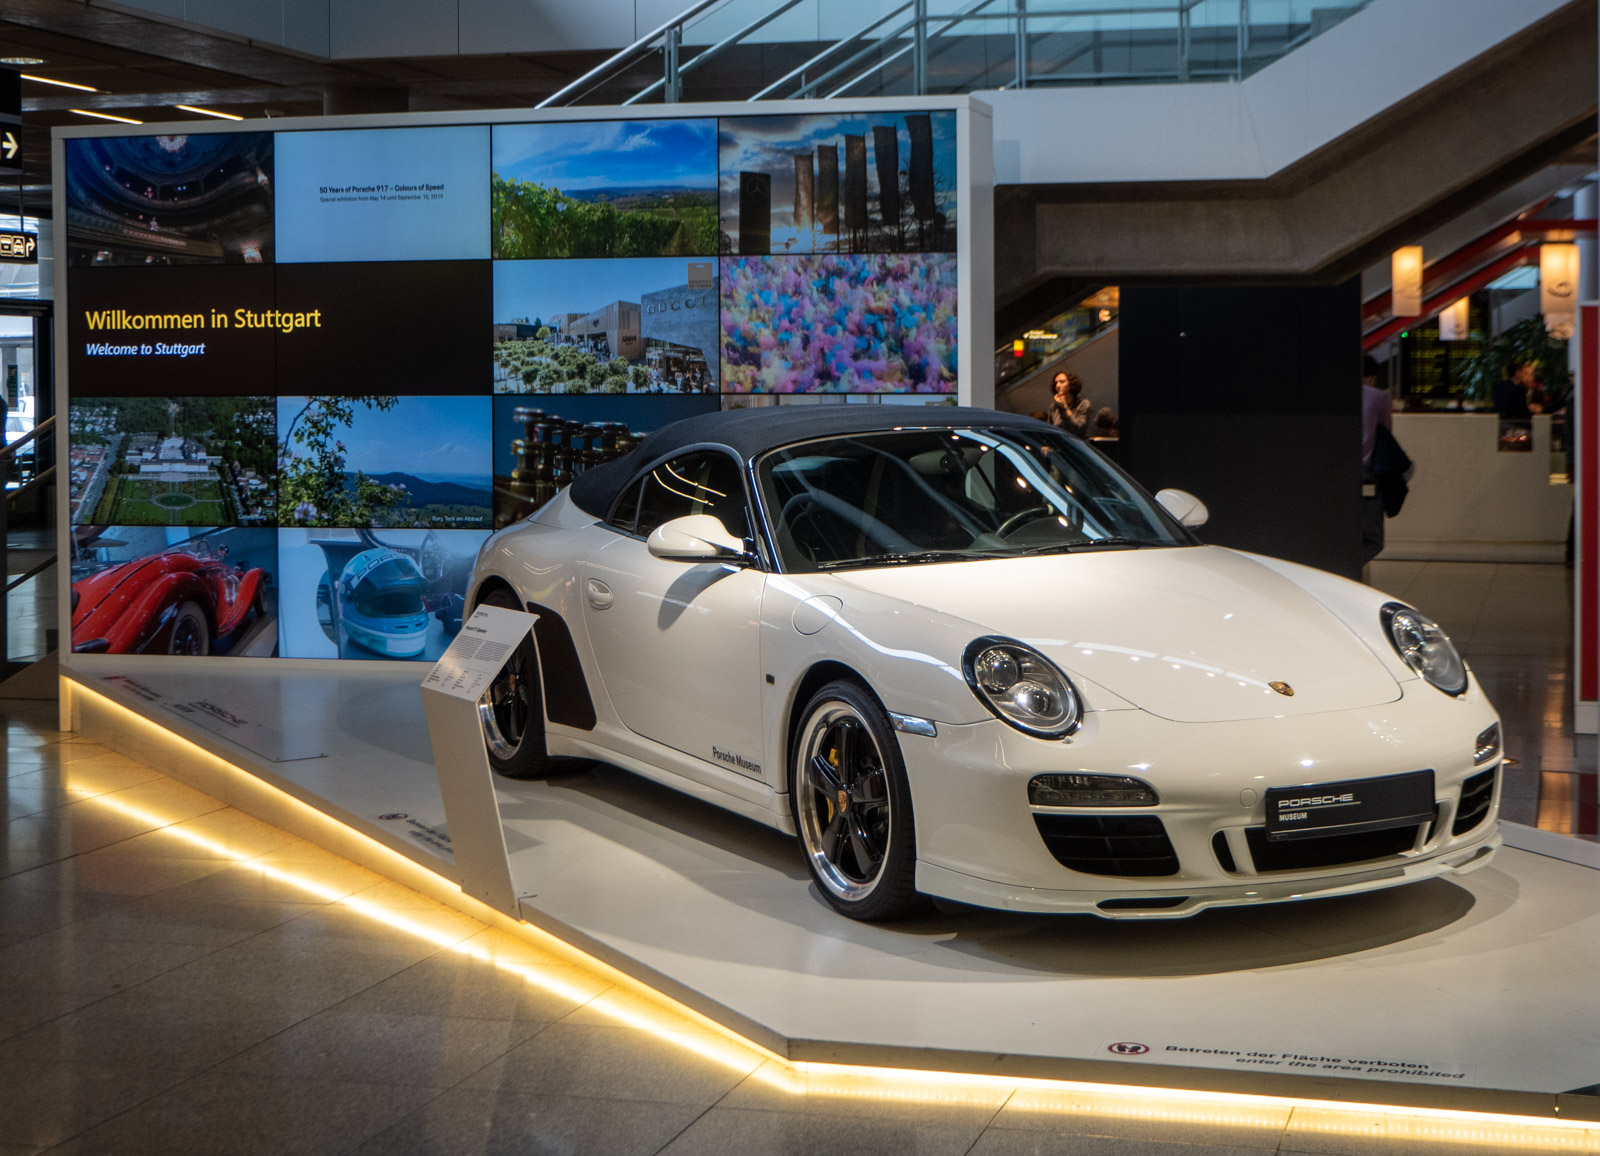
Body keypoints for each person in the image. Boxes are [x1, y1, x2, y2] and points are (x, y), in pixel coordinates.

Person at [1360, 354, 1394, 568]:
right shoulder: (1378, 397)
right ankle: (1343, 571)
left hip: (1335, 472)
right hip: (1367, 473)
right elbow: (1386, 434)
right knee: (1373, 540)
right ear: (1372, 377)